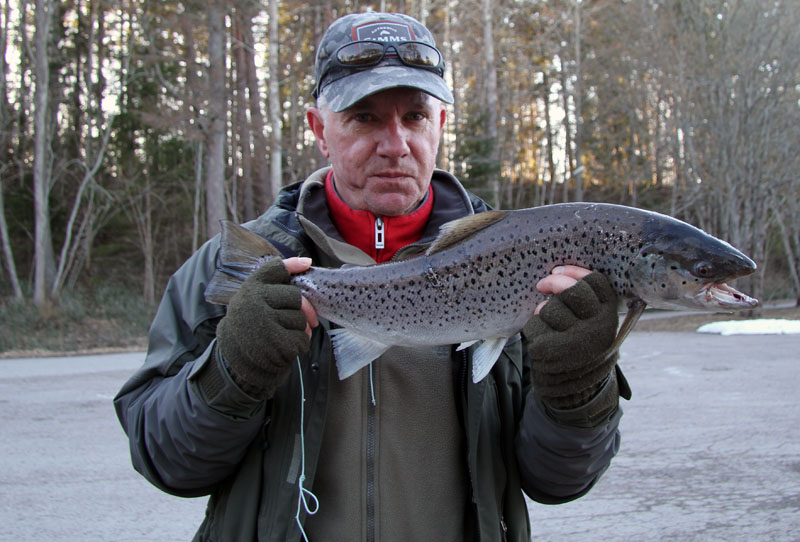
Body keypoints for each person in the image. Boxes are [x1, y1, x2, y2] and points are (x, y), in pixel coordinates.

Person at [114, 12, 630, 542]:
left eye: (414, 117)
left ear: (441, 125)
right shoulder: (238, 265)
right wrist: (232, 370)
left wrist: (579, 388)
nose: (395, 144)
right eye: (364, 117)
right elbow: (166, 462)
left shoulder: (531, 266)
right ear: (320, 129)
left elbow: (560, 481)